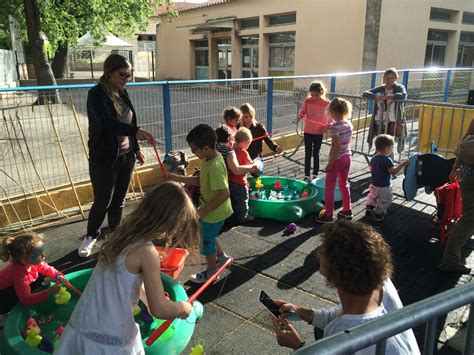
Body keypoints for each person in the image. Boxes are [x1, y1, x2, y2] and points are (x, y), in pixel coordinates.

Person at [55, 182, 199, 354]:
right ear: (170, 223)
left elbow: (124, 280)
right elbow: (160, 309)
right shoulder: (147, 252)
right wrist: (183, 308)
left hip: (83, 325)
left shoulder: (122, 235)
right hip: (110, 339)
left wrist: (147, 298)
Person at [270, 220, 420, 354]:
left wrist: (299, 347)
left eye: (323, 251)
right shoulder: (380, 282)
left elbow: (342, 324)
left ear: (333, 269)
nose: (318, 252)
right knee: (319, 329)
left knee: (321, 334)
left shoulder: (344, 336)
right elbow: (339, 315)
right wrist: (301, 312)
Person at [80, 54, 155, 258]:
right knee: (102, 201)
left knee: (119, 200)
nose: (125, 80)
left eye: (128, 76)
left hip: (126, 156)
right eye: (122, 75)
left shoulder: (122, 93)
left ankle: (116, 234)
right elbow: (106, 124)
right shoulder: (96, 95)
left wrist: (136, 149)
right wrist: (135, 132)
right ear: (109, 73)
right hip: (104, 158)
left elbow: (130, 123)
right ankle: (91, 235)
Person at [167, 124, 233, 283]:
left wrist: (204, 211)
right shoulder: (210, 159)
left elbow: (224, 193)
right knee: (208, 234)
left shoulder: (215, 166)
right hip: (212, 211)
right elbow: (201, 181)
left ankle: (211, 271)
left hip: (213, 213)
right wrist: (177, 178)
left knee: (205, 240)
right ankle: (222, 257)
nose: (192, 153)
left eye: (194, 149)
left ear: (205, 148)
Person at [0, 233, 65, 324]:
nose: (43, 255)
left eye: (42, 251)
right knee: (17, 300)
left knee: (41, 276)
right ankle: (3, 315)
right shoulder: (19, 274)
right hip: (3, 294)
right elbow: (25, 299)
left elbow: (46, 268)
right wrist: (48, 292)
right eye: (38, 254)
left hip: (15, 285)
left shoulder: (29, 263)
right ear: (23, 259)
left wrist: (58, 275)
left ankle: (35, 296)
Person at [439, 119, 474, 274]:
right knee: (469, 220)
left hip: (467, 176)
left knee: (468, 218)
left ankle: (450, 258)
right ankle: (450, 260)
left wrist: (455, 167)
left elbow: (461, 146)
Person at [315, 98, 353, 224]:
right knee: (344, 184)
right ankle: (347, 210)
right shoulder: (348, 124)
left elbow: (336, 147)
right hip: (347, 157)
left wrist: (330, 164)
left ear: (331, 111)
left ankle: (328, 215)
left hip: (337, 160)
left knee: (329, 187)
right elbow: (346, 139)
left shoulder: (334, 128)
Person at [362, 68, 407, 155]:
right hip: (380, 119)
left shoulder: (399, 87)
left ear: (395, 79)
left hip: (392, 120)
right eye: (387, 78)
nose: (389, 80)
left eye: (392, 78)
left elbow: (403, 95)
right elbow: (365, 93)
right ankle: (378, 160)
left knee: (389, 143)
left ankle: (389, 161)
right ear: (384, 78)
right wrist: (375, 97)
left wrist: (388, 97)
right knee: (380, 142)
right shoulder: (381, 88)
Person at [366, 134, 409, 221]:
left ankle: (370, 206)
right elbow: (393, 172)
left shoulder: (373, 158)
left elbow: (370, 169)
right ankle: (379, 213)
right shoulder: (387, 160)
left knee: (373, 196)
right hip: (384, 186)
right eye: (392, 147)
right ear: (386, 148)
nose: (392, 149)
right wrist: (402, 164)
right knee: (385, 201)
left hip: (374, 184)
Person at [297, 82, 331, 181]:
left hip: (319, 132)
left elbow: (330, 117)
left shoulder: (327, 103)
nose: (314, 97)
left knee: (316, 153)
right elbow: (303, 112)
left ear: (322, 93)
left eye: (317, 95)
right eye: (312, 95)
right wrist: (299, 117)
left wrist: (327, 126)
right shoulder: (308, 100)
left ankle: (315, 173)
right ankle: (307, 174)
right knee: (308, 153)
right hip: (308, 131)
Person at [239, 103, 282, 176]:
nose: (249, 119)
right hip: (242, 157)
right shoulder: (239, 128)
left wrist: (276, 147)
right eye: (246, 117)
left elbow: (268, 140)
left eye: (251, 116)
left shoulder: (259, 127)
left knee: (256, 171)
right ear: (241, 117)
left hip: (256, 157)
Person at [227, 127, 256, 224]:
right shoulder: (244, 153)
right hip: (240, 183)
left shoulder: (232, 149)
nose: (248, 146)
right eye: (249, 143)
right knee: (244, 201)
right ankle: (242, 218)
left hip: (231, 181)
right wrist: (256, 164)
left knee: (234, 201)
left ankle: (234, 217)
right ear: (245, 142)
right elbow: (251, 165)